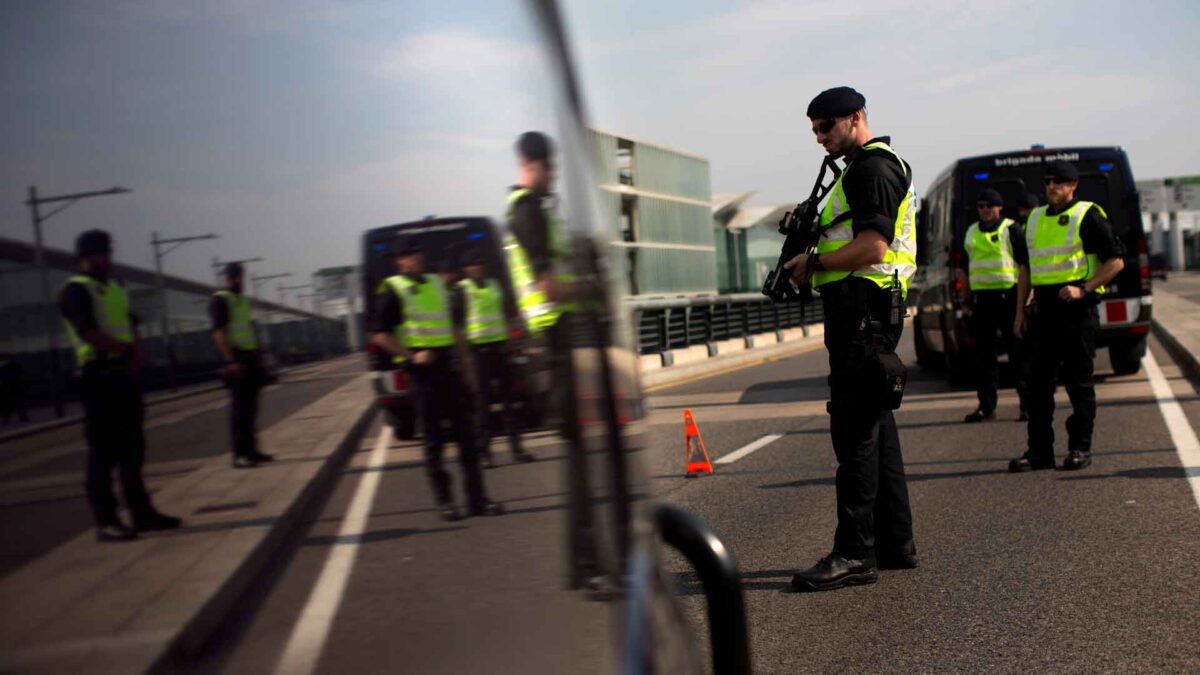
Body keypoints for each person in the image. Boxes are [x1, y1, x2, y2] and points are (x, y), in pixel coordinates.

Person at [782, 86, 918, 592]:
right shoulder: (862, 167)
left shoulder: (872, 169)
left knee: (855, 431)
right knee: (878, 428)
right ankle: (895, 544)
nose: (820, 138)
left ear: (856, 117)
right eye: (815, 129)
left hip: (864, 312)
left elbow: (872, 245)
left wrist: (812, 262)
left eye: (827, 127)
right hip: (866, 310)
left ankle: (854, 553)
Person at [506, 130, 605, 594]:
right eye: (550, 168)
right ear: (531, 164)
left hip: (561, 340)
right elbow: (546, 286)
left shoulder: (538, 210)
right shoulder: (527, 212)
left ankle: (586, 561)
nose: (554, 176)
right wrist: (593, 291)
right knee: (581, 459)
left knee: (583, 455)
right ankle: (585, 564)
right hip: (552, 343)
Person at [59, 229, 181, 541]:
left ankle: (141, 513)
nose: (106, 259)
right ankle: (106, 520)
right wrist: (125, 350)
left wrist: (136, 350)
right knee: (103, 452)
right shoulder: (76, 290)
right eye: (101, 253)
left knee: (132, 449)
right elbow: (88, 332)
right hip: (98, 376)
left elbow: (132, 323)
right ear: (85, 257)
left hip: (123, 375)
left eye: (108, 252)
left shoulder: (115, 288)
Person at [370, 237, 504, 521]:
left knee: (467, 439)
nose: (415, 257)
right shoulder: (394, 289)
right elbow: (380, 334)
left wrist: (467, 367)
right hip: (422, 375)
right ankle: (445, 502)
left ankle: (478, 501)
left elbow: (455, 328)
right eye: (409, 254)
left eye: (417, 252)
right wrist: (409, 356)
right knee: (434, 442)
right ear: (399, 262)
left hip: (449, 369)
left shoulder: (437, 283)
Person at [1011, 161, 1125, 472]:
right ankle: (1039, 453)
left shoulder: (1087, 214)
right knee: (1038, 388)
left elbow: (1115, 262)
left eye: (1059, 183)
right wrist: (1019, 312)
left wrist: (1084, 289)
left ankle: (1080, 448)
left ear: (1073, 186)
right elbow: (1025, 269)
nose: (1052, 187)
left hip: (1077, 312)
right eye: (1049, 182)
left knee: (1079, 384)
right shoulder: (1033, 218)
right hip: (1043, 313)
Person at [452, 246, 534, 468]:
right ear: (466, 269)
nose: (477, 268)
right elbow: (457, 327)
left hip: (501, 350)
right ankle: (485, 453)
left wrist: (511, 341)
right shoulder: (461, 290)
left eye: (480, 263)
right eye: (473, 265)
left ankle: (517, 448)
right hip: (479, 353)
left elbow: (506, 315)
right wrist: (466, 356)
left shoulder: (495, 285)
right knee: (483, 405)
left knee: (510, 402)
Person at [958, 188, 1029, 423]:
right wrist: (964, 298)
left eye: (990, 205)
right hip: (982, 301)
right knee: (983, 357)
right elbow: (964, 269)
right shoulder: (970, 232)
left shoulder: (1011, 229)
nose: (985, 210)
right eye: (981, 206)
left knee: (1018, 353)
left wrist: (1025, 301)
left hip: (1009, 298)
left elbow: (1024, 266)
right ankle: (986, 407)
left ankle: (1027, 405)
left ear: (999, 207)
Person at [210, 262, 274, 469]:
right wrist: (230, 361)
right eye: (234, 277)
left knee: (251, 408)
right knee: (239, 410)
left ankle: (252, 451)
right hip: (236, 359)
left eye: (240, 276)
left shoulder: (243, 301)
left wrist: (260, 354)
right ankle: (239, 455)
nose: (238, 280)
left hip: (250, 357)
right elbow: (219, 333)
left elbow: (249, 329)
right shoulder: (221, 300)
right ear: (227, 278)